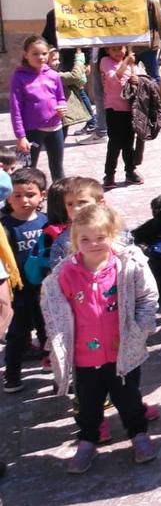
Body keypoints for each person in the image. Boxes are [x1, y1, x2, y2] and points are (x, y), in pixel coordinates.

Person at [42, 203, 159, 473]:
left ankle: (138, 435)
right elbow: (54, 310)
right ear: (74, 240)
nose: (93, 244)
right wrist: (57, 344)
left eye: (100, 238)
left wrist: (141, 329)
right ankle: (87, 442)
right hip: (85, 356)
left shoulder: (127, 266)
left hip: (122, 353)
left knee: (129, 398)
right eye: (85, 239)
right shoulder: (65, 275)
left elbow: (147, 297)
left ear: (113, 235)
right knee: (88, 403)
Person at [3, 167, 49, 393]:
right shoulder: (4, 226)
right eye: (17, 195)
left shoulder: (46, 222)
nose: (23, 200)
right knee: (17, 334)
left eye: (30, 194)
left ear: (42, 194)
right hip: (16, 291)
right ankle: (11, 376)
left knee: (47, 329)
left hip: (43, 289)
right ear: (8, 196)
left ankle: (50, 362)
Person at [11, 36, 68, 181]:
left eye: (44, 53)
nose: (40, 57)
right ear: (26, 55)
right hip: (32, 132)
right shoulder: (19, 77)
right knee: (28, 169)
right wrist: (20, 136)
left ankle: (59, 199)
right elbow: (16, 108)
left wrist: (63, 106)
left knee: (57, 168)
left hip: (56, 128)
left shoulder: (54, 75)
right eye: (35, 54)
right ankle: (29, 199)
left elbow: (61, 97)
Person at [100, 45, 142, 189]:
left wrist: (136, 80)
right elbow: (115, 77)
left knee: (129, 142)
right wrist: (126, 62)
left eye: (121, 49)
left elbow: (138, 81)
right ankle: (109, 174)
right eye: (114, 49)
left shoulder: (132, 63)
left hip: (129, 108)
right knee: (115, 143)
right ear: (107, 51)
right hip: (114, 108)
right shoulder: (105, 62)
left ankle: (130, 171)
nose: (118, 52)